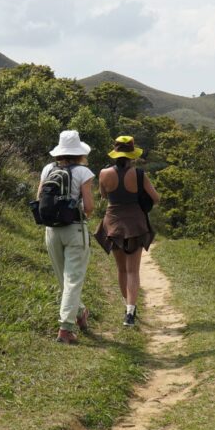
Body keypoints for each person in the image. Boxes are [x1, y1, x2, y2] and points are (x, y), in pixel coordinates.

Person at [94, 135, 160, 327]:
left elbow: (104, 195)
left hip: (113, 223)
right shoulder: (139, 174)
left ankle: (127, 307)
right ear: (132, 154)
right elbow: (155, 198)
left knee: (121, 269)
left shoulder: (104, 173)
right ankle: (130, 311)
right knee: (133, 270)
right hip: (135, 224)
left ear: (115, 153)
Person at [38, 131, 95, 344]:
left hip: (51, 230)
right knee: (73, 279)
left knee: (63, 278)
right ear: (79, 152)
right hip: (75, 229)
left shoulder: (48, 169)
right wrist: (81, 212)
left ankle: (80, 312)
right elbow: (89, 207)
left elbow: (39, 198)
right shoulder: (84, 172)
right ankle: (65, 328)